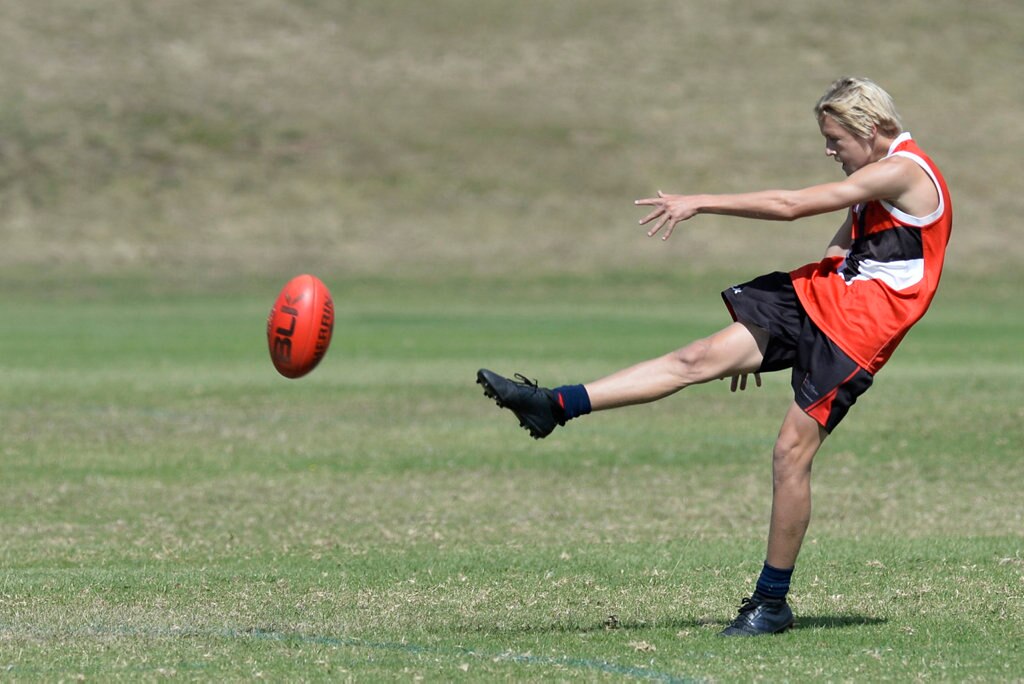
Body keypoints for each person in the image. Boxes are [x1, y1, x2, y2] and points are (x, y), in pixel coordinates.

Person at [476, 77, 952, 637]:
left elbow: (791, 204)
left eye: (834, 140)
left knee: (789, 456)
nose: (829, 150)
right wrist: (772, 339)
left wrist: (700, 201)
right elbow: (845, 239)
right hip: (824, 298)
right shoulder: (873, 174)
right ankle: (553, 405)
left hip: (858, 331)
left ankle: (771, 603)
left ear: (868, 130)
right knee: (698, 358)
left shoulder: (904, 170)